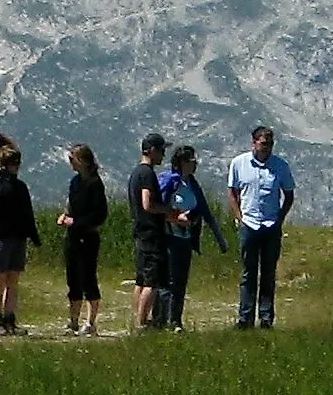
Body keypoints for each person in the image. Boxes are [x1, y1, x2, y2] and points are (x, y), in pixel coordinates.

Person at [226, 124, 296, 329]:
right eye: (264, 144)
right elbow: (232, 192)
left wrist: (280, 218)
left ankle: (266, 318)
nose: (267, 148)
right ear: (254, 143)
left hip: (271, 224)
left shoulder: (280, 166)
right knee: (248, 273)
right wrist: (239, 217)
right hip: (249, 224)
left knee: (268, 273)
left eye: (270, 144)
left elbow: (289, 194)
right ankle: (245, 318)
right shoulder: (239, 163)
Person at [161, 143, 225, 330]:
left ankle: (176, 320)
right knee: (169, 280)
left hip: (186, 238)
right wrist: (174, 217)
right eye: (191, 160)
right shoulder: (170, 181)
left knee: (181, 280)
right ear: (181, 162)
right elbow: (158, 208)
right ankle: (162, 319)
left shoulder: (192, 183)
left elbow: (204, 209)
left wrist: (218, 236)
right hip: (169, 236)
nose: (195, 164)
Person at [0, 135, 40, 335]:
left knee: (3, 279)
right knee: (6, 280)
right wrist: (33, 235)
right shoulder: (16, 186)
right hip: (10, 236)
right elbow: (27, 213)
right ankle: (3, 319)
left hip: (3, 236)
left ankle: (3, 319)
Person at [56, 143, 108, 335]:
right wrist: (65, 215)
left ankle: (91, 321)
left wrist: (76, 221)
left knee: (88, 278)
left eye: (73, 159)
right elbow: (70, 204)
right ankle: (73, 320)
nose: (70, 163)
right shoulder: (75, 182)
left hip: (88, 235)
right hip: (72, 236)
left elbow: (100, 214)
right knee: (73, 278)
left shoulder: (95, 183)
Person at [126, 134, 172, 332]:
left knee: (141, 279)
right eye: (161, 150)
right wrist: (167, 210)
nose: (163, 155)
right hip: (151, 233)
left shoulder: (136, 172)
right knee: (151, 282)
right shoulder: (147, 174)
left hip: (140, 232)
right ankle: (143, 323)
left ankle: (136, 318)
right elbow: (147, 203)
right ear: (151, 150)